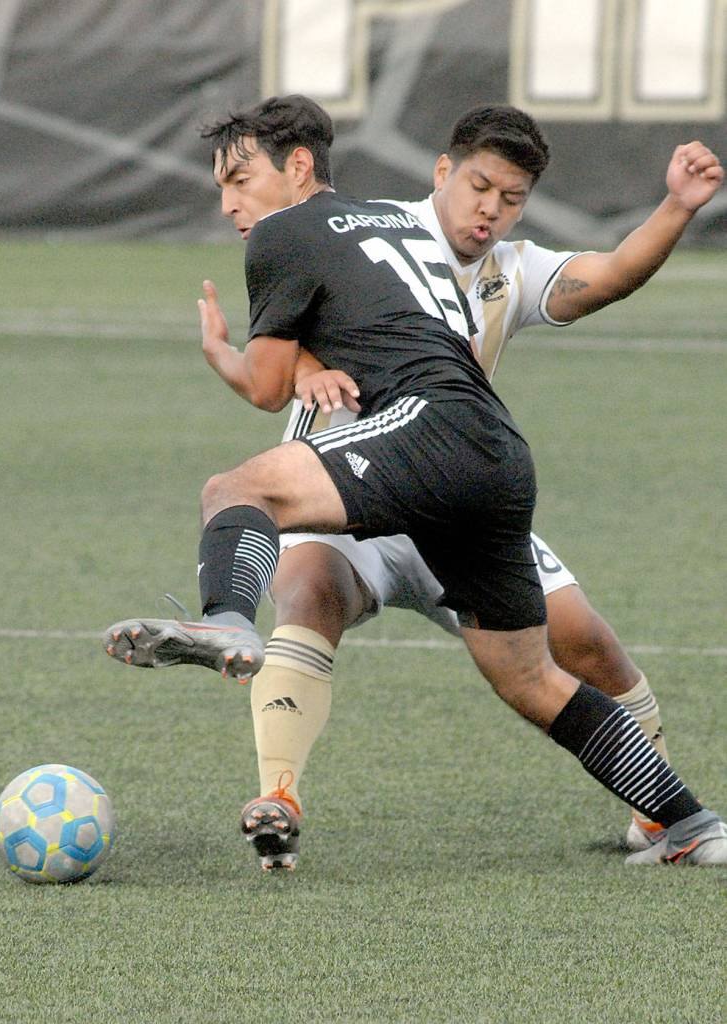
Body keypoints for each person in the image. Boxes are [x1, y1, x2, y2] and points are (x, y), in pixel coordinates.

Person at [103, 94, 727, 873]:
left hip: (418, 442)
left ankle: (228, 618)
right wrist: (316, 364)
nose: (230, 202)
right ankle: (691, 823)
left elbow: (266, 389)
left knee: (236, 489)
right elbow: (426, 335)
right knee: (528, 675)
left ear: (297, 168)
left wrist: (224, 354)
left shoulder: (285, 233)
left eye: (239, 178)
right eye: (480, 188)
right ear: (442, 174)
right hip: (494, 451)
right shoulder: (397, 224)